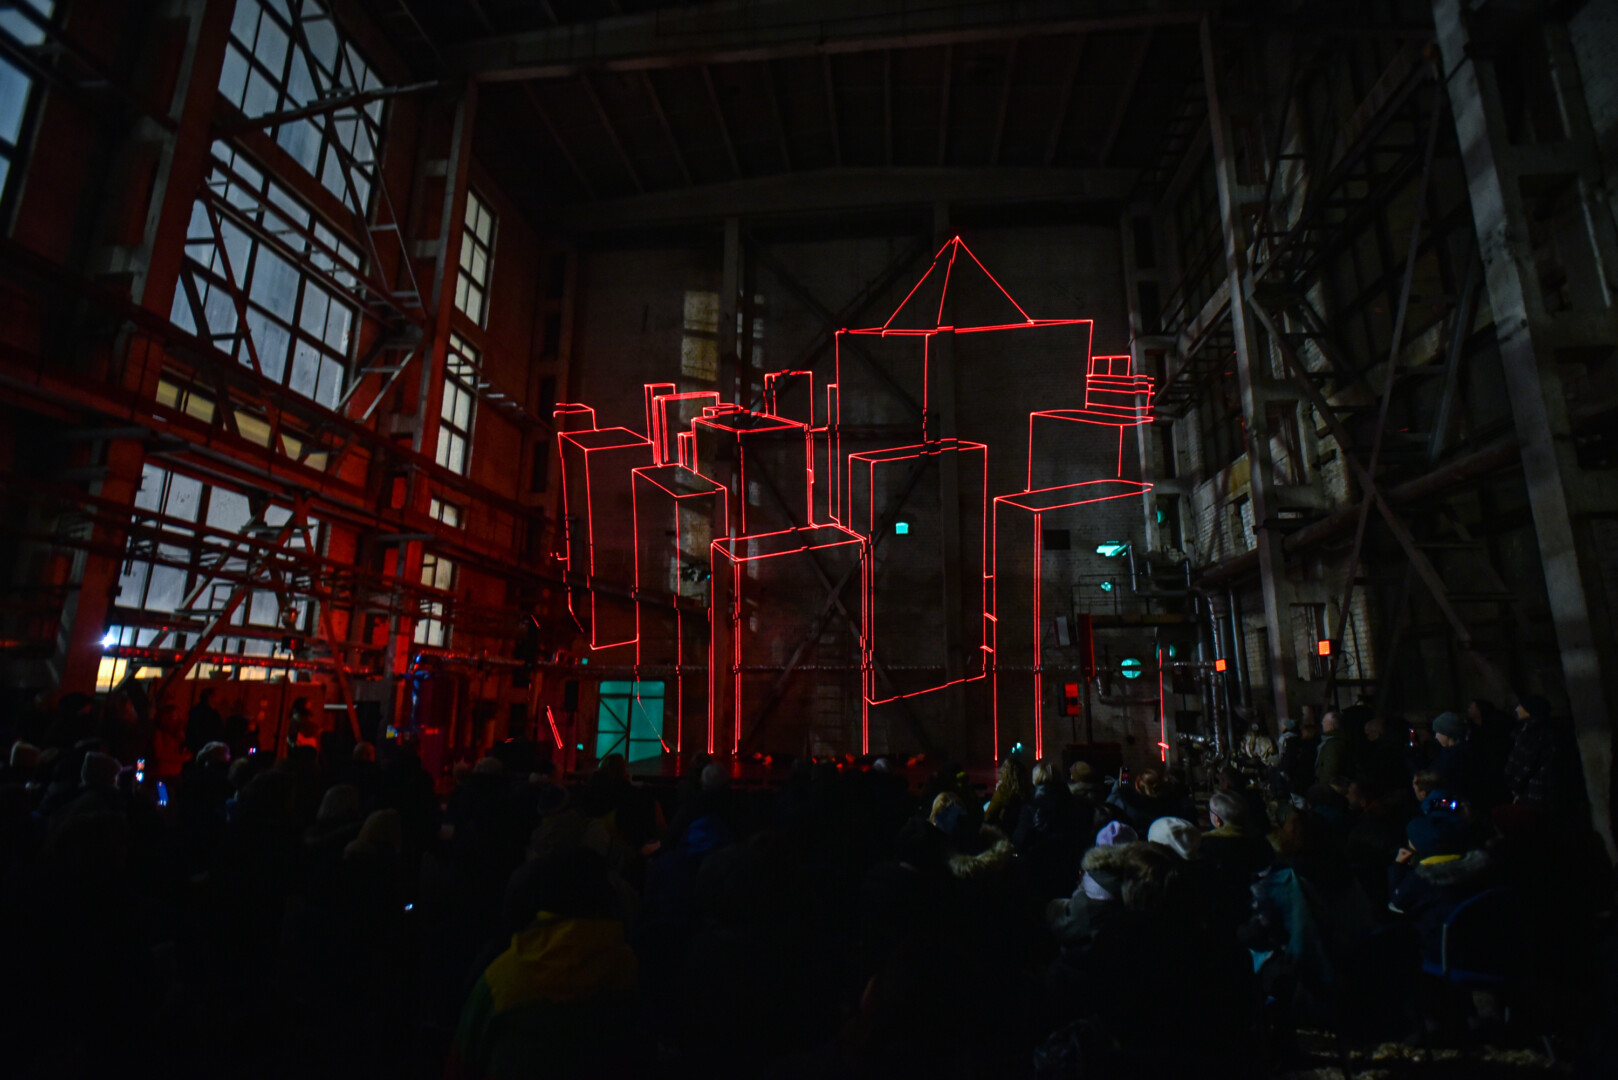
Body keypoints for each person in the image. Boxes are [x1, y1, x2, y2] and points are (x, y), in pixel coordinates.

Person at [1505, 694, 1557, 810]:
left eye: (1521, 706)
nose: (1517, 709)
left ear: (1529, 709)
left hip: (1534, 792)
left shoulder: (1532, 733)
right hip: (1539, 790)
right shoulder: (1534, 730)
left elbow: (1525, 763)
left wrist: (1513, 784)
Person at [186, 688, 225, 756]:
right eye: (218, 695)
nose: (221, 698)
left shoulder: (213, 712)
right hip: (203, 747)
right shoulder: (202, 712)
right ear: (210, 697)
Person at [1315, 710, 1349, 785]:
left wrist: (1324, 785)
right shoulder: (1334, 740)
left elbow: (1330, 768)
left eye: (1325, 722)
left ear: (1331, 725)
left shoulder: (1332, 744)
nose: (1322, 724)